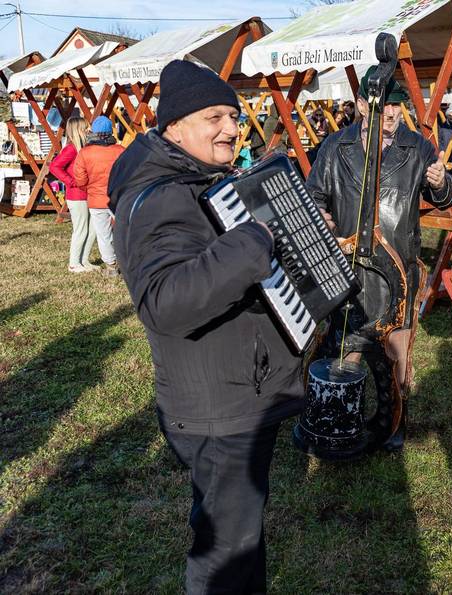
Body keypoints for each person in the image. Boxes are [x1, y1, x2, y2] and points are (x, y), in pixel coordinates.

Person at [107, 60, 305, 594]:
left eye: (234, 116)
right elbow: (165, 301)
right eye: (213, 116)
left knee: (236, 538)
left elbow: (217, 266)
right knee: (225, 556)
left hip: (235, 389)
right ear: (173, 126)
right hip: (219, 408)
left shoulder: (198, 180)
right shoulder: (161, 196)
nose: (230, 128)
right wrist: (256, 242)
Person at [306, 66, 452, 449]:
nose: (389, 113)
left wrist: (442, 184)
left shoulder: (417, 146)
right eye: (381, 105)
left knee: (396, 354)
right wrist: (320, 215)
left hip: (398, 267)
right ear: (360, 105)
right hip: (348, 266)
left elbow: (446, 195)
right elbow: (314, 197)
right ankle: (343, 417)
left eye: (396, 106)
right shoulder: (335, 147)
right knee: (347, 345)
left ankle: (394, 421)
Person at [73, 115, 125, 277]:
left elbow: (80, 179)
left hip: (96, 200)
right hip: (118, 198)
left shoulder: (85, 153)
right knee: (124, 231)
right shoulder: (120, 151)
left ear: (93, 132)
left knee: (104, 235)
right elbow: (129, 173)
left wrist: (91, 189)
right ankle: (128, 262)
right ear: (110, 132)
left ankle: (111, 266)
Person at [49, 117, 96, 273]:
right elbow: (55, 167)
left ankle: (84, 260)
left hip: (87, 193)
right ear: (78, 130)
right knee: (81, 229)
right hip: (76, 196)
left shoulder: (83, 147)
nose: (89, 130)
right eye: (85, 127)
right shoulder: (71, 149)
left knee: (93, 229)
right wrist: (71, 181)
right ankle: (74, 263)